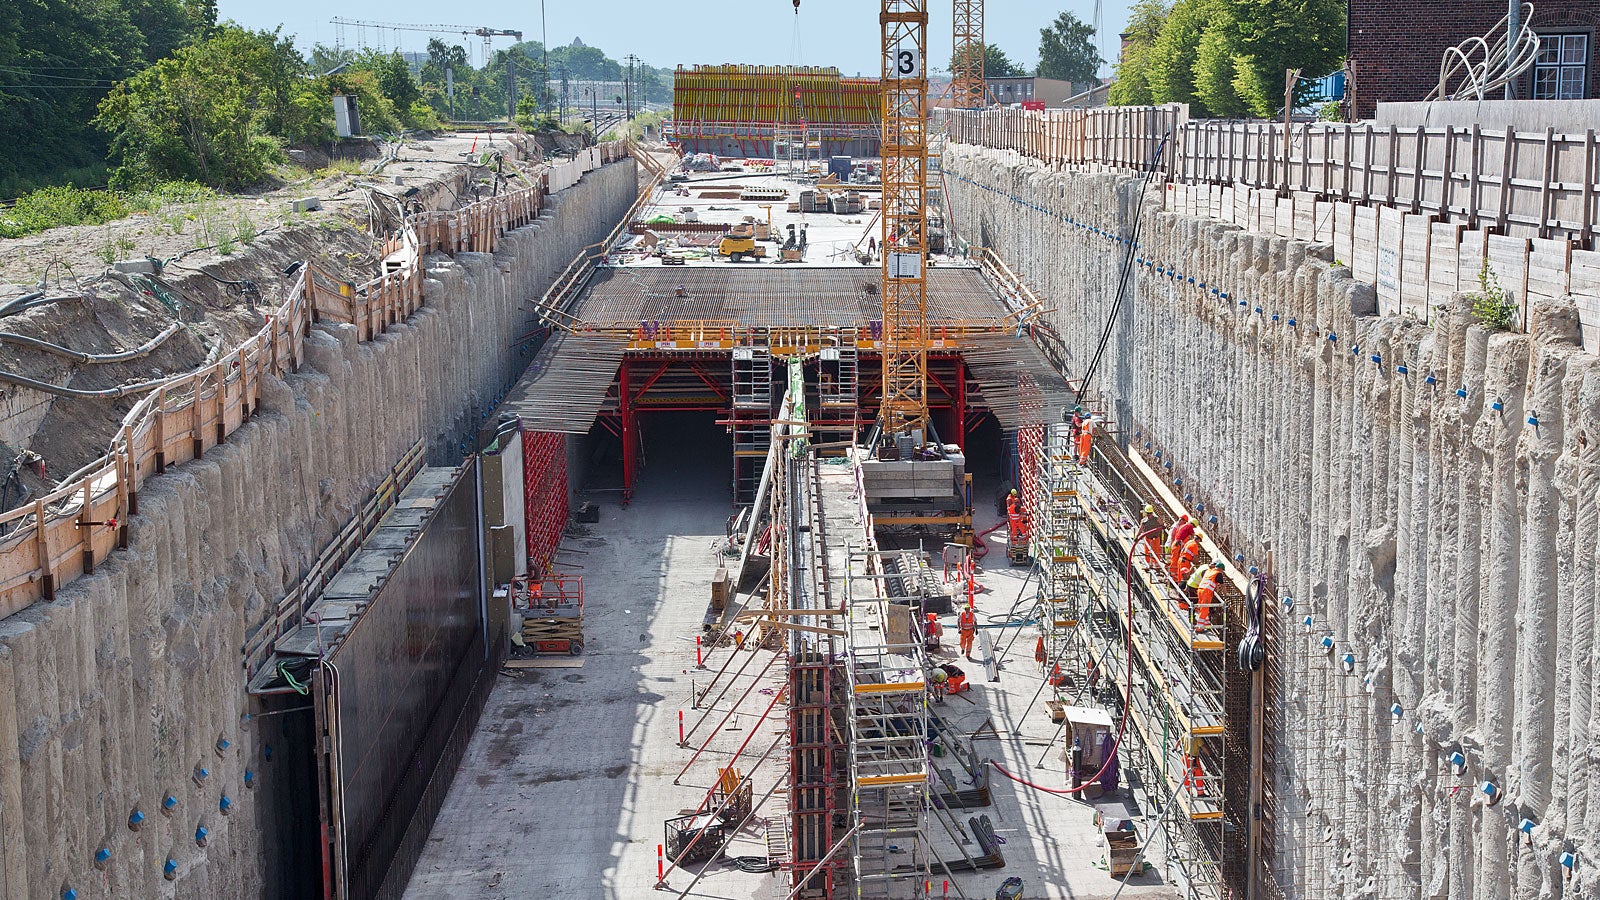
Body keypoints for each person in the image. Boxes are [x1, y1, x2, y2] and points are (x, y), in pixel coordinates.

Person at [1195, 560, 1224, 630]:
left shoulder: (1209, 571)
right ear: (1220, 569)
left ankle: (1207, 624)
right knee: (1204, 609)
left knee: (1203, 608)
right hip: (1206, 592)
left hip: (1200, 590)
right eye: (1222, 570)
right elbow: (1223, 585)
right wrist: (1225, 594)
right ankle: (1199, 628)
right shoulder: (1218, 573)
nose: (1222, 572)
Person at [1135, 504, 1163, 570]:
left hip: (1155, 537)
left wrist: (1163, 526)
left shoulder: (1157, 519)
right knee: (1147, 551)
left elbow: (1162, 524)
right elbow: (1140, 529)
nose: (1149, 515)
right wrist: (1137, 536)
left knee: (1156, 550)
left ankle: (1156, 564)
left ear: (1152, 513)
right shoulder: (1144, 521)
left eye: (1150, 513)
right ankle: (1148, 564)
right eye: (1147, 513)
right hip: (1147, 538)